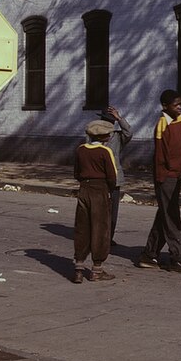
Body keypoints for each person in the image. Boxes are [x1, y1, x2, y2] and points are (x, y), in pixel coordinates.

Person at [137, 89, 181, 273]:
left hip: (176, 174)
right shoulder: (162, 124)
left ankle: (149, 255)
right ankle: (178, 258)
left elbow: (180, 149)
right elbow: (162, 156)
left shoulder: (180, 121)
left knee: (165, 215)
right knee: (172, 217)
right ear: (165, 107)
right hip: (166, 176)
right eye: (176, 105)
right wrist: (163, 179)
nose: (180, 108)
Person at [71, 119, 118, 283]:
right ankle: (97, 269)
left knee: (82, 228)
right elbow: (112, 177)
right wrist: (109, 190)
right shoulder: (105, 152)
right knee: (100, 228)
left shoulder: (80, 150)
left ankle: (78, 267)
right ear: (105, 136)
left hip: (84, 190)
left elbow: (76, 173)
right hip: (100, 191)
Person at [88, 106, 133, 245]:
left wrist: (119, 118)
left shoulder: (117, 137)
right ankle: (96, 236)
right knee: (97, 209)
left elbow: (129, 132)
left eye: (110, 121)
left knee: (112, 211)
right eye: (105, 121)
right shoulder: (92, 136)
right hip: (98, 177)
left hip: (114, 177)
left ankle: (108, 237)